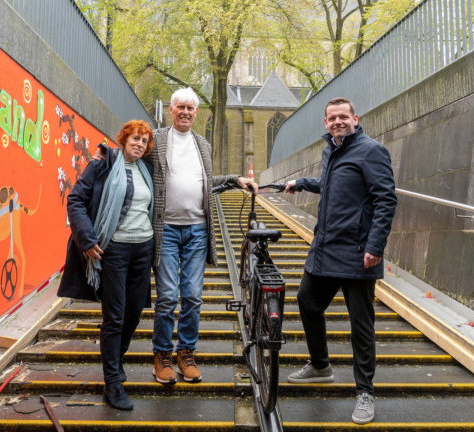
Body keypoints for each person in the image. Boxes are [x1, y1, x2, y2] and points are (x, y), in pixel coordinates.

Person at [94, 88, 258, 384]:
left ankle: (186, 354)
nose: (185, 112)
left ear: (196, 113)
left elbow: (207, 183)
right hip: (166, 229)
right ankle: (162, 356)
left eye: (190, 108)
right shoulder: (156, 139)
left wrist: (236, 180)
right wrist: (107, 155)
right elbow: (132, 153)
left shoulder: (202, 144)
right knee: (168, 297)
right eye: (180, 107)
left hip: (197, 230)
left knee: (193, 297)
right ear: (171, 109)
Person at [284, 97, 397, 425]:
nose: (337, 122)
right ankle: (321, 365)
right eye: (332, 118)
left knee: (361, 324)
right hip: (327, 248)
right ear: (326, 122)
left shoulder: (370, 150)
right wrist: (302, 183)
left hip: (360, 252)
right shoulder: (331, 149)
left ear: (355, 118)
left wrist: (375, 246)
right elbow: (334, 187)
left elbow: (386, 200)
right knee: (307, 300)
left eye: (343, 117)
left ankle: (365, 391)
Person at [58, 120, 156, 411]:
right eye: (135, 138)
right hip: (112, 250)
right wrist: (87, 239)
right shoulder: (102, 164)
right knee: (114, 318)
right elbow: (75, 200)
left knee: (135, 312)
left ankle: (116, 360)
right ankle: (112, 383)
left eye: (145, 141)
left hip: (143, 249)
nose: (139, 144)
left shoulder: (147, 170)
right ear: (124, 139)